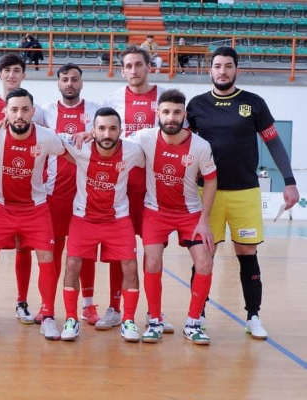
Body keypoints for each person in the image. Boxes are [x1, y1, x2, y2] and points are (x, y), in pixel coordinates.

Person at [186, 46, 299, 340]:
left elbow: (273, 143)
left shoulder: (253, 103)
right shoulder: (196, 106)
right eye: (217, 66)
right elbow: (181, 144)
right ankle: (197, 315)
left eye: (228, 66)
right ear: (209, 70)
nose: (222, 71)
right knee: (203, 257)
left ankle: (253, 316)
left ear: (236, 69)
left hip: (245, 192)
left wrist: (289, 181)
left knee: (247, 253)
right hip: (207, 193)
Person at [0, 88, 65, 340]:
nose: (19, 115)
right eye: (14, 110)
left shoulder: (46, 137)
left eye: (24, 110)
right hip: (0, 208)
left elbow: (72, 150)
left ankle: (48, 315)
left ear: (33, 112)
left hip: (36, 208)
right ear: (5, 112)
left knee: (47, 257)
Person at [132, 89, 217, 345]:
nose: (171, 117)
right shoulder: (144, 137)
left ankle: (193, 322)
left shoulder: (200, 146)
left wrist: (204, 220)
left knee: (205, 263)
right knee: (152, 262)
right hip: (155, 212)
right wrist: (90, 134)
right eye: (166, 112)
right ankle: (155, 319)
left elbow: (211, 181)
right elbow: (114, 144)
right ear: (157, 113)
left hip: (190, 214)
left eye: (177, 112)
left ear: (184, 115)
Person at [102, 45, 174, 333]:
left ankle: (154, 312)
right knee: (119, 251)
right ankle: (114, 307)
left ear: (149, 67)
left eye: (138, 65)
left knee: (153, 254)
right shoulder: (112, 99)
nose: (134, 70)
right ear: (122, 71)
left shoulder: (164, 99)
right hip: (120, 190)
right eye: (128, 66)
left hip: (154, 191)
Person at [59, 107, 145, 342]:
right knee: (72, 264)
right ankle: (71, 319)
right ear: (93, 130)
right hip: (83, 218)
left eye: (112, 128)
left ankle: (128, 320)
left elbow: (154, 149)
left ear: (121, 131)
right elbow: (51, 136)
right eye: (102, 128)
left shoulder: (133, 151)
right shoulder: (80, 146)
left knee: (130, 266)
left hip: (118, 219)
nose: (107, 134)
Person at [0, 53, 45, 324]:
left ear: (23, 74)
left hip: (25, 187)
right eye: (7, 70)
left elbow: (42, 139)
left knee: (24, 246)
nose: (11, 75)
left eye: (16, 70)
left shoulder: (35, 109)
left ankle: (21, 301)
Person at [41, 63, 102, 325]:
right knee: (52, 253)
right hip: (54, 193)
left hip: (87, 194)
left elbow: (110, 133)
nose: (69, 83)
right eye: (65, 79)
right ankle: (47, 305)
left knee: (85, 253)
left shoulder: (95, 111)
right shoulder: (45, 112)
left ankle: (88, 305)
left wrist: (93, 131)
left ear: (81, 83)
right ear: (58, 83)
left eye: (74, 79)